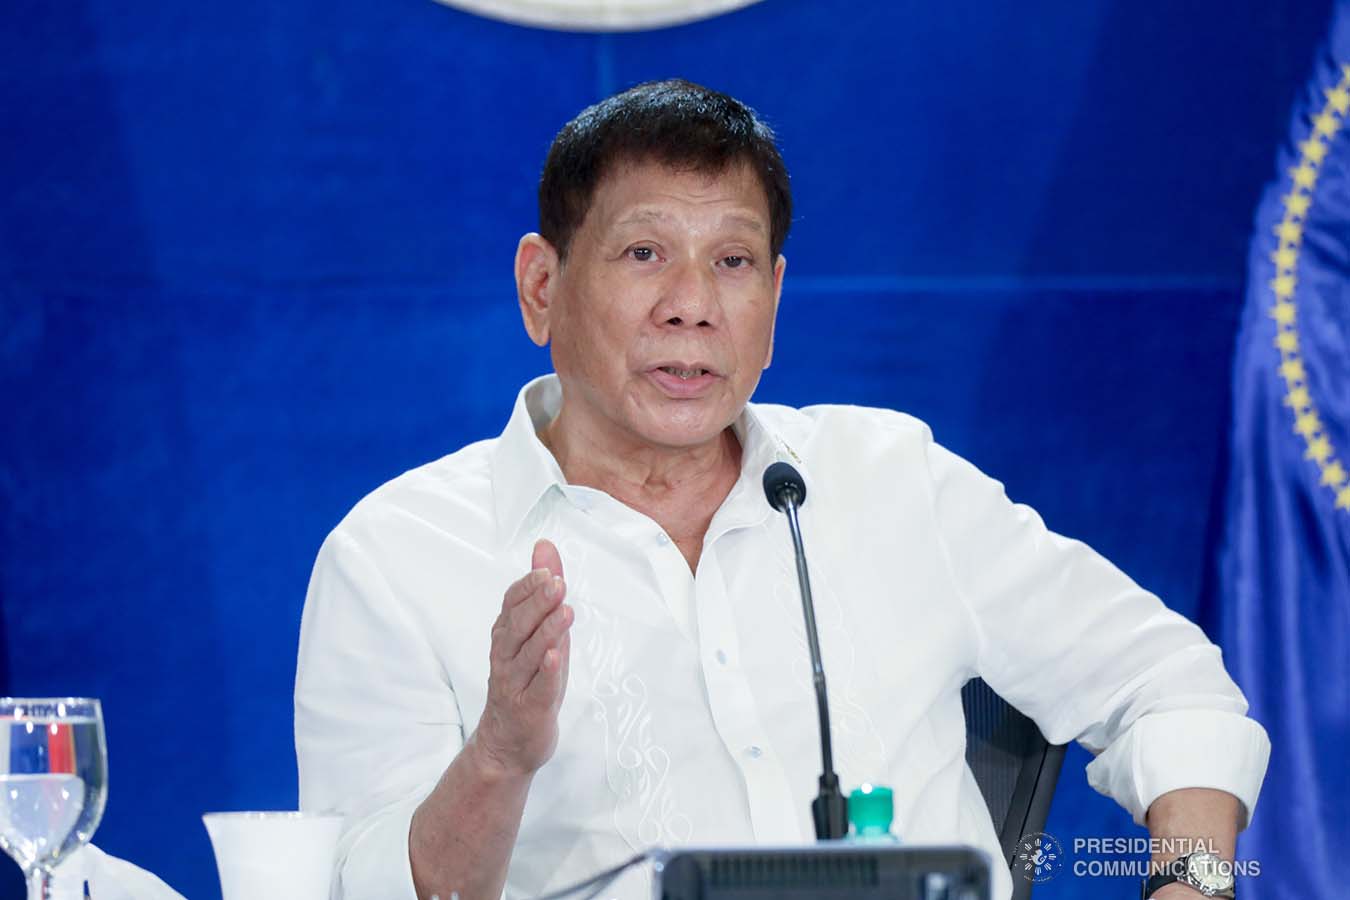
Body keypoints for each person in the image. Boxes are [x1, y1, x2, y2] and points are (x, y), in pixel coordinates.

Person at [294, 79, 1269, 900]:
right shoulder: (399, 559)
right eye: (644, 255)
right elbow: (354, 886)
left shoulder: (889, 481)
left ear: (775, 299)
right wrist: (499, 758)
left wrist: (1193, 879)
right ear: (541, 285)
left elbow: (1170, 689)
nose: (693, 306)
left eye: (733, 262)